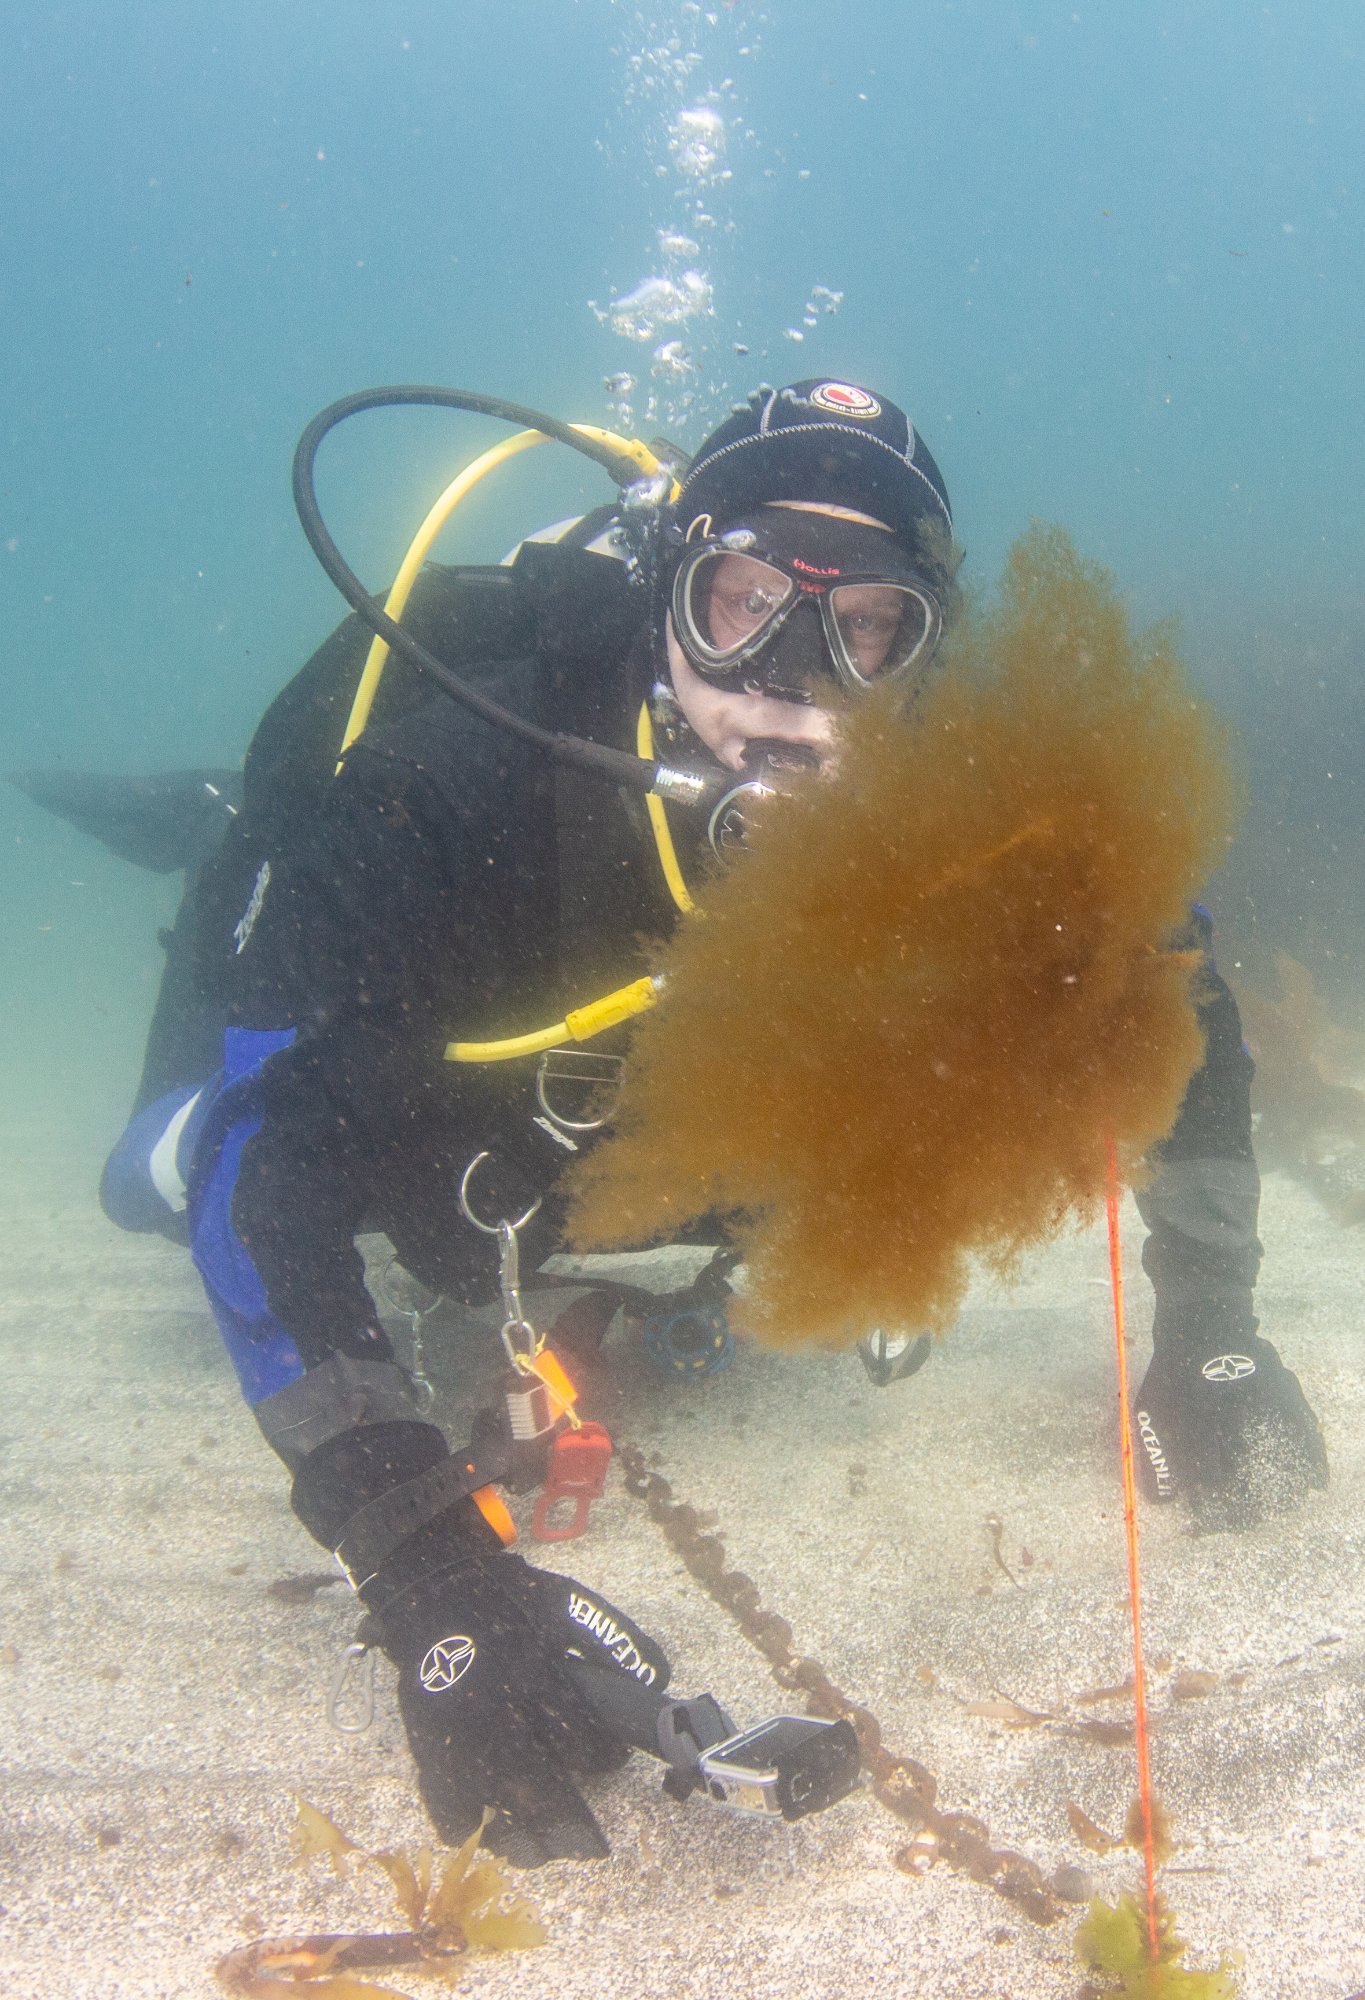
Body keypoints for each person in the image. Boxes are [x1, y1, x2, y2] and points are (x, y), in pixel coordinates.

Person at [28, 378, 1327, 1864]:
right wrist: (431, 1575)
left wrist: (1211, 1328)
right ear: (664, 599)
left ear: (921, 653)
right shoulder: (440, 788)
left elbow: (1179, 1001)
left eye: (862, 629)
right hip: (456, 1141)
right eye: (741, 600)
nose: (783, 677)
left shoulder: (985, 821)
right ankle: (216, 828)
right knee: (165, 1169)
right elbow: (267, 1161)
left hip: (679, 1173)